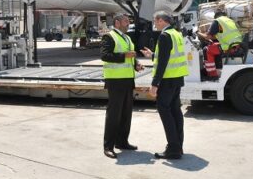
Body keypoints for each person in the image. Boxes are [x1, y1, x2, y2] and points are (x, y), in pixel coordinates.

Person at [100, 13, 149, 159]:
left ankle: (122, 142)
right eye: (126, 21)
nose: (128, 23)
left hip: (128, 80)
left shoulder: (127, 38)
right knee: (114, 114)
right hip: (115, 81)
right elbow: (105, 56)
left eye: (129, 21)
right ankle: (108, 146)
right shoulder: (109, 37)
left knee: (126, 113)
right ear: (117, 23)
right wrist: (124, 56)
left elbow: (130, 57)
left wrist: (136, 65)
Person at [143, 10, 189, 160]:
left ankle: (173, 149)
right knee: (175, 111)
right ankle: (178, 146)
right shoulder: (176, 34)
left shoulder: (164, 35)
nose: (155, 24)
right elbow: (167, 57)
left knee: (165, 111)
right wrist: (153, 55)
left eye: (156, 21)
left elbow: (163, 63)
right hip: (177, 79)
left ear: (162, 21)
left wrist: (155, 84)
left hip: (167, 80)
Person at [198, 10, 244, 77]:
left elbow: (207, 37)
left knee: (207, 49)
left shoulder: (217, 21)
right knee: (214, 45)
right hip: (237, 45)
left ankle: (212, 74)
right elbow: (220, 35)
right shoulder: (229, 20)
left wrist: (198, 33)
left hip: (229, 47)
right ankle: (217, 69)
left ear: (215, 17)